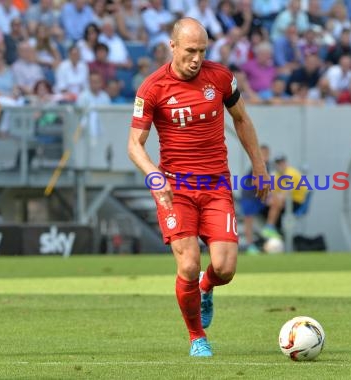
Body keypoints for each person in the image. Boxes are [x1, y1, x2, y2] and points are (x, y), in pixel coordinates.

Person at [127, 18, 270, 357]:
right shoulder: (152, 88)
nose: (196, 58)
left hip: (216, 184)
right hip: (176, 189)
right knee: (188, 264)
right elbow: (135, 144)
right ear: (173, 46)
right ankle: (197, 337)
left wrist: (259, 165)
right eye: (190, 51)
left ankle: (207, 287)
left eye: (202, 51)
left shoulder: (220, 78)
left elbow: (242, 119)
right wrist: (153, 174)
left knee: (225, 268)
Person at [261, 155, 308, 239]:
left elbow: (285, 194)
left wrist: (273, 199)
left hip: (297, 202)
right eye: (278, 163)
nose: (280, 165)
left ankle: (270, 227)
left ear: (285, 163)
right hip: (285, 202)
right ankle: (274, 230)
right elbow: (271, 192)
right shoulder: (277, 175)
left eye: (282, 163)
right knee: (266, 206)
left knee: (276, 202)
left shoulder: (292, 173)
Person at [240, 144, 271, 254]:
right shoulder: (257, 166)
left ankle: (269, 227)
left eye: (267, 154)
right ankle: (250, 245)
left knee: (276, 203)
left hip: (257, 197)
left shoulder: (267, 165)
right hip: (249, 196)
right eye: (263, 154)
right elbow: (257, 182)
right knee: (249, 221)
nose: (265, 156)